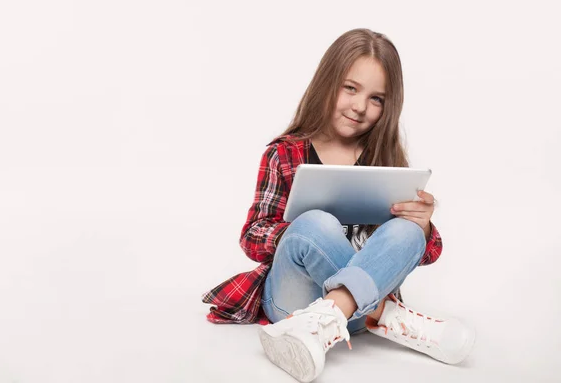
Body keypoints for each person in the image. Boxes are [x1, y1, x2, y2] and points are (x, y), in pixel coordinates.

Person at [202, 28, 475, 382]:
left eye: (377, 99)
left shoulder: (386, 161)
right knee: (316, 223)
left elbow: (423, 250)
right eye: (351, 88)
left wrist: (421, 226)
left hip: (353, 316)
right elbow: (252, 237)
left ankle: (343, 315)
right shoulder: (284, 153)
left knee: (408, 228)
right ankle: (386, 314)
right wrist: (303, 233)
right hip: (292, 302)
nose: (360, 107)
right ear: (327, 83)